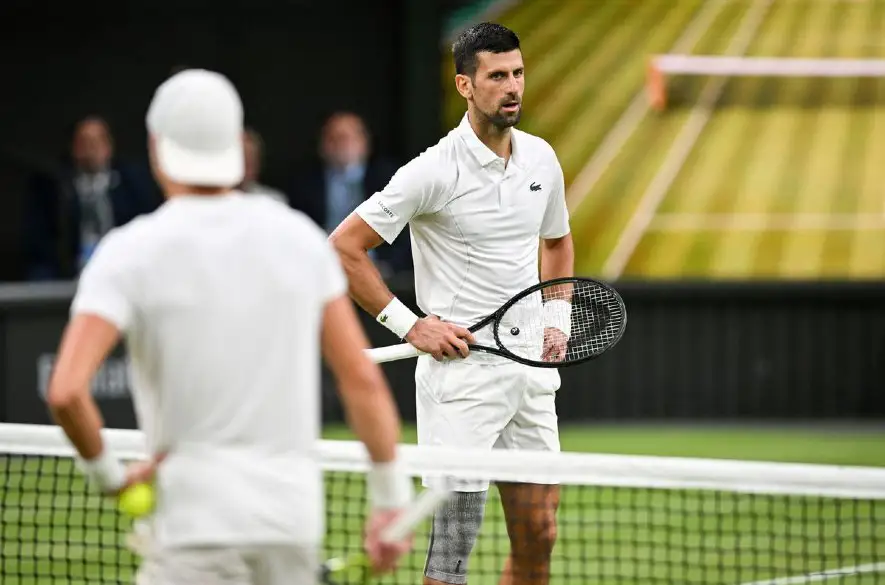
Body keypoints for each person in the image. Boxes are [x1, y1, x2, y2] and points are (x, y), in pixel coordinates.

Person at [45, 68, 414, 585]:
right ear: (235, 143)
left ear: (156, 146)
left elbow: (65, 391)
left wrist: (111, 479)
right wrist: (391, 504)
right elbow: (362, 380)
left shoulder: (128, 252)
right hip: (290, 526)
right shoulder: (299, 240)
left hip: (191, 532)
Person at [329, 22, 573, 585]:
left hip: (530, 375)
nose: (512, 87)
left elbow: (557, 242)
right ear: (465, 85)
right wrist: (410, 327)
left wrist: (555, 318)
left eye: (517, 73)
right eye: (496, 77)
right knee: (451, 558)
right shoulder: (431, 171)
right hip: (461, 385)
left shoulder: (542, 159)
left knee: (540, 536)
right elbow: (343, 249)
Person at [22, 115, 159, 280]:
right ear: (74, 147)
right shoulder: (54, 186)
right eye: (85, 143)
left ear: (109, 146)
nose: (91, 150)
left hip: (121, 265)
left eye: (97, 142)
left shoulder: (131, 183)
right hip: (73, 267)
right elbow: (42, 239)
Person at [289, 111, 412, 277]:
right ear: (322, 146)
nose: (342, 144)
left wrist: (387, 265)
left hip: (378, 271)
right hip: (320, 269)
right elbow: (296, 233)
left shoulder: (390, 180)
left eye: (349, 138)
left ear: (365, 144)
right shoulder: (304, 184)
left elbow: (407, 234)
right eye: (334, 138)